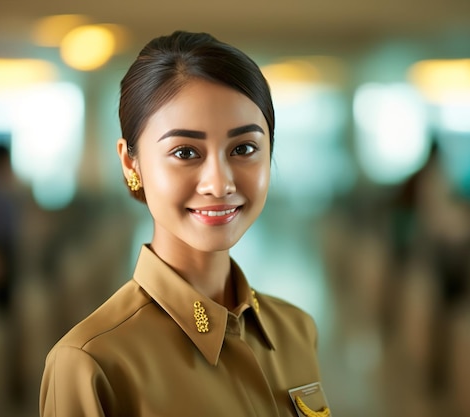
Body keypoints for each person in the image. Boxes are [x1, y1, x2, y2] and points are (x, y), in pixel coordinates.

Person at [40, 30, 329, 417]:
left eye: (243, 148)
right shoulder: (91, 362)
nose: (220, 183)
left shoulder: (296, 330)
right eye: (185, 152)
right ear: (131, 163)